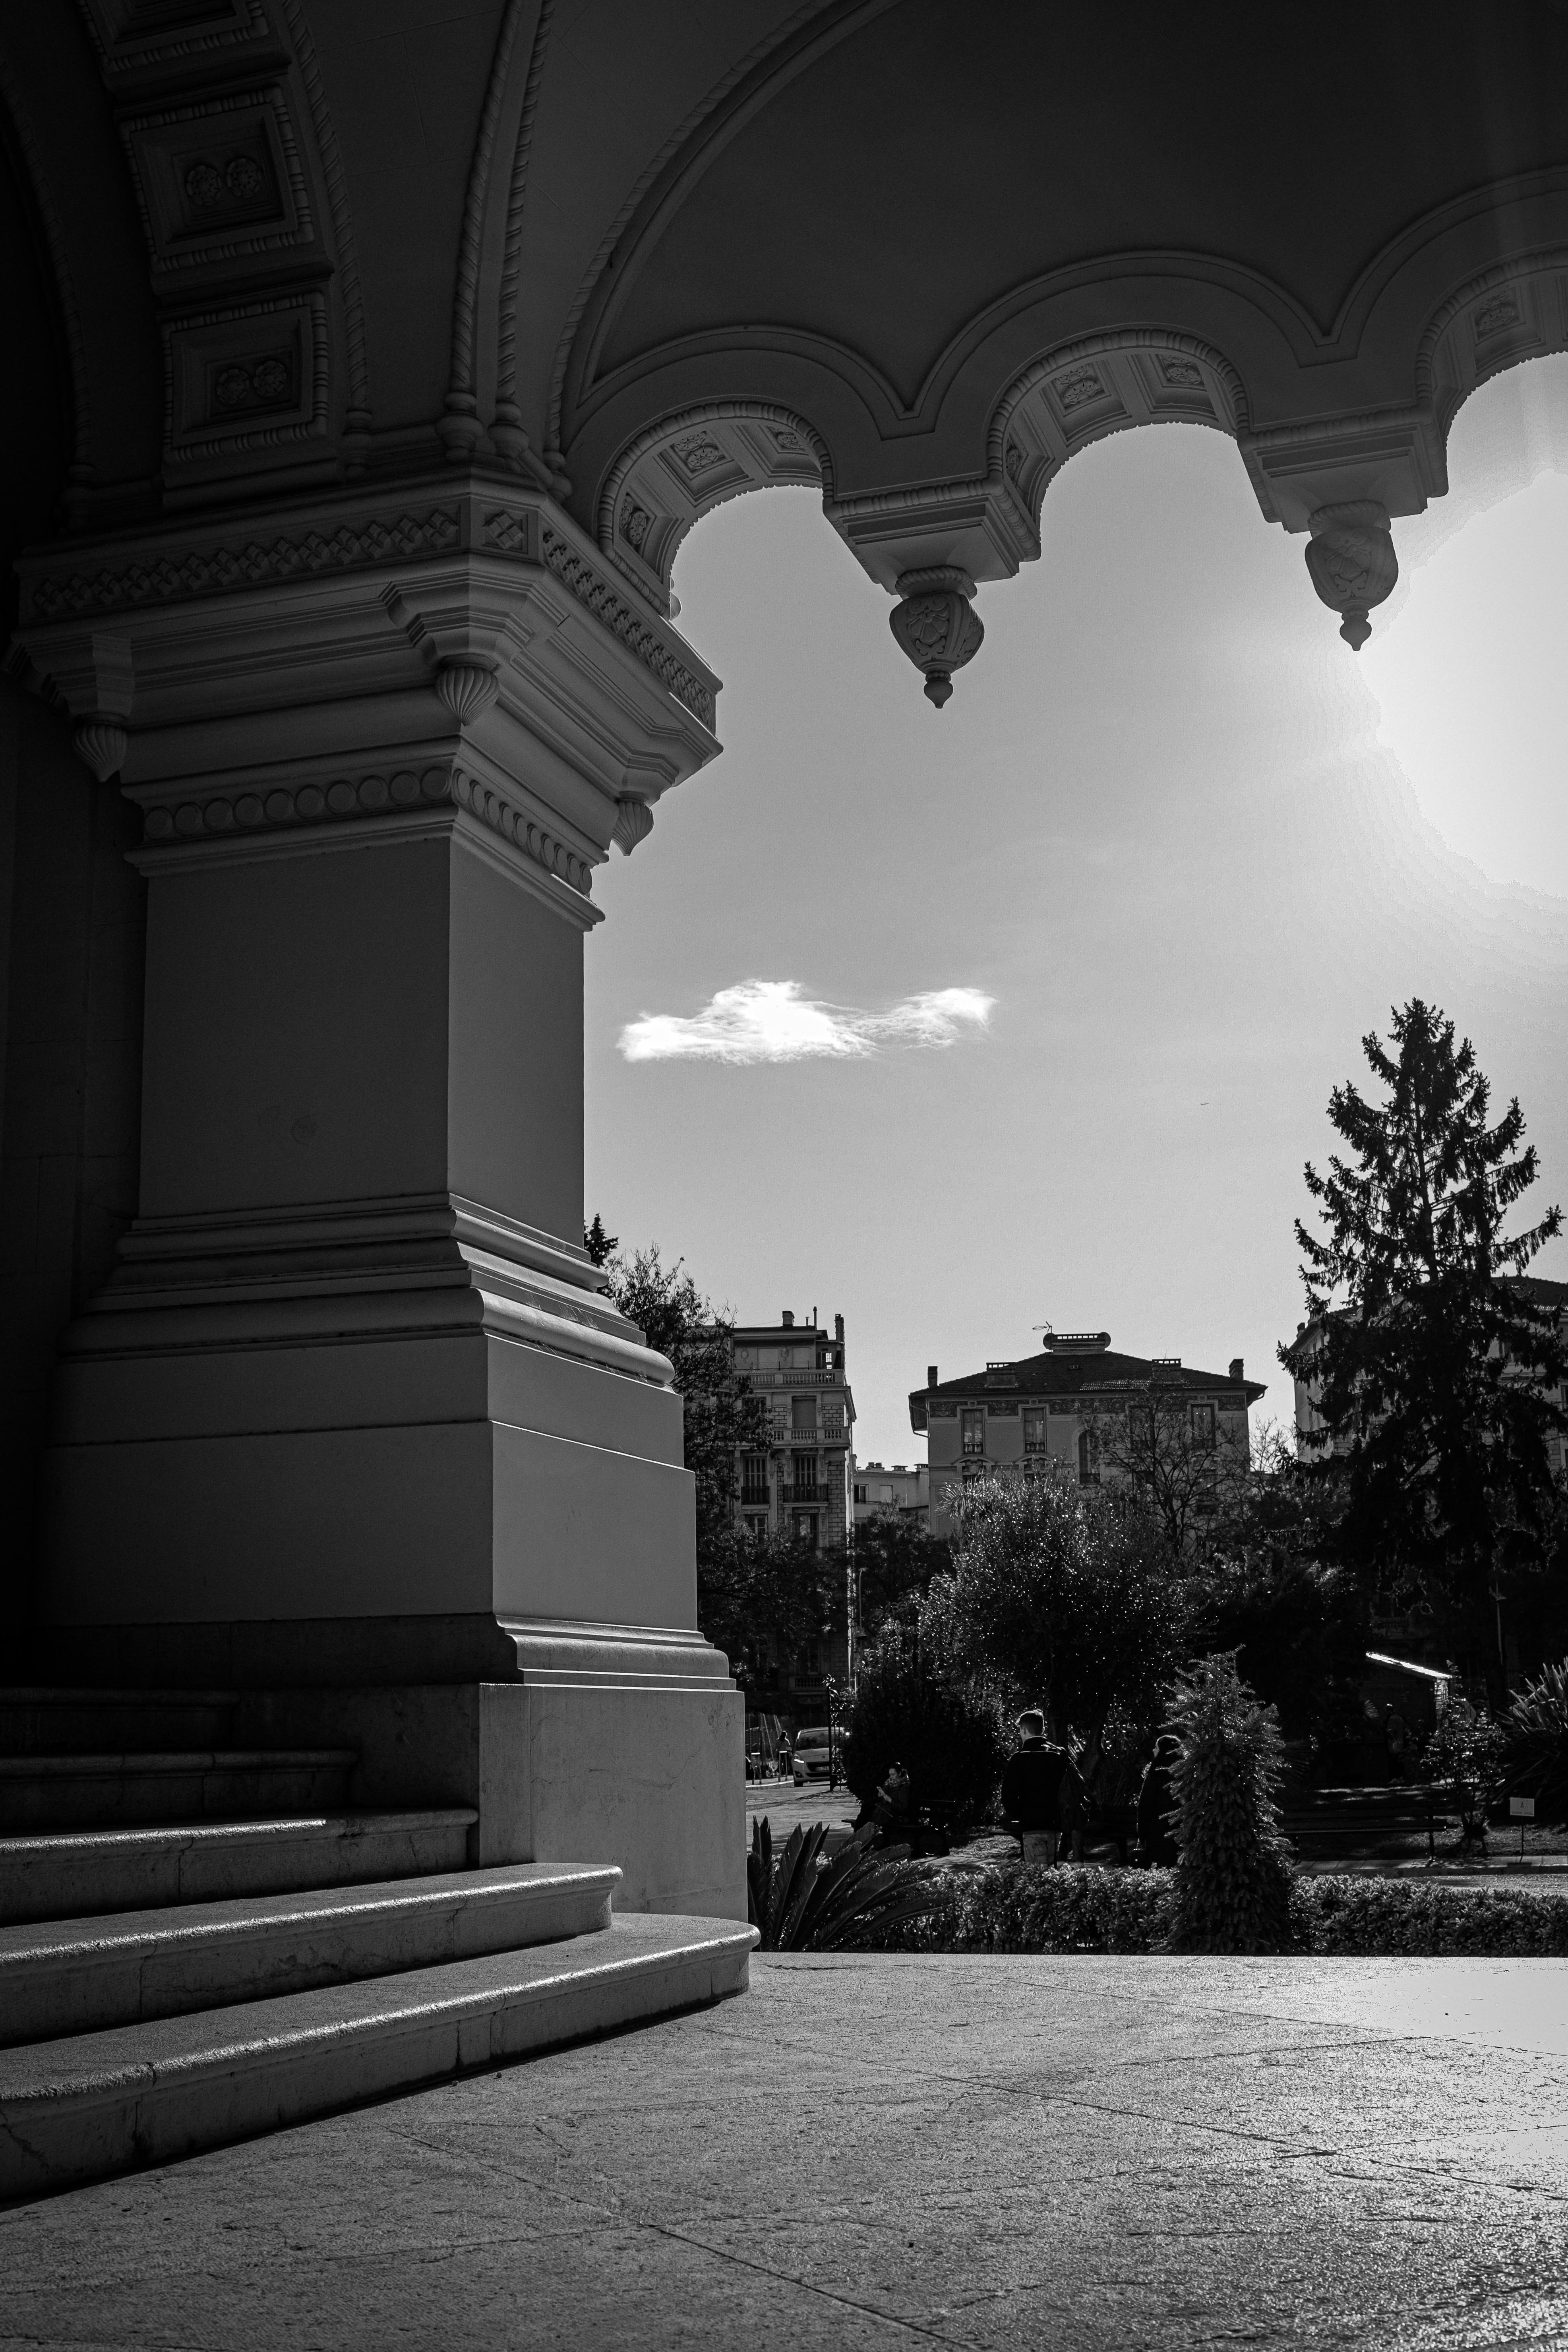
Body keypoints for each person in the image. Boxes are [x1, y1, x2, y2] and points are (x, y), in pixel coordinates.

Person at [1000, 1710, 1081, 1869]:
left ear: (1023, 1730)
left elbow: (1008, 1797)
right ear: (1043, 1730)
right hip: (1055, 1823)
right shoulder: (1058, 1754)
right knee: (1052, 1875)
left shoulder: (1019, 1758)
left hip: (1032, 1824)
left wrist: (1022, 1814)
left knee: (1036, 1877)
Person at [1136, 1734, 1181, 1868]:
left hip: (1156, 1833)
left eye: (1157, 1747)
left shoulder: (1155, 1775)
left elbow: (1144, 1806)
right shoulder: (1184, 1774)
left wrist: (1142, 1834)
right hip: (1179, 1832)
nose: (1154, 1751)